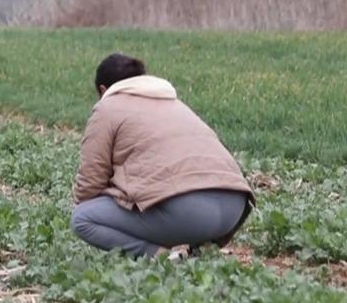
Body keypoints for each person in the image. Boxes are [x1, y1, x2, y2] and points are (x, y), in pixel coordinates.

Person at [71, 53, 254, 258]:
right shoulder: (174, 103)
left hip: (189, 214)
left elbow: (91, 182)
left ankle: (161, 257)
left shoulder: (107, 107)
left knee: (82, 218)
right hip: (234, 208)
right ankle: (200, 251)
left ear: (103, 90)